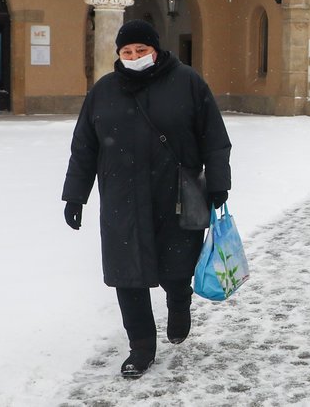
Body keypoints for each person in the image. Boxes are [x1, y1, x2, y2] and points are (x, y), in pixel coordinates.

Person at [61, 19, 232, 378]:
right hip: (122, 197)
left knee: (177, 264)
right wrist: (75, 195)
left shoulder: (188, 82)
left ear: (156, 50)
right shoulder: (104, 90)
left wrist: (218, 183)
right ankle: (140, 346)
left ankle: (179, 301)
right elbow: (84, 146)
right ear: (119, 54)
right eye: (127, 51)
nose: (135, 56)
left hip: (179, 195)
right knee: (128, 274)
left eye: (142, 50)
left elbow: (214, 137)